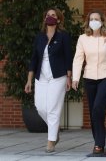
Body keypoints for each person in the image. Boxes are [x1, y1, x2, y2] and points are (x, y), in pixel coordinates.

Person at [72, 9, 106, 155]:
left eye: (96, 19)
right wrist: (75, 78)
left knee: (97, 108)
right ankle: (98, 142)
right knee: (94, 112)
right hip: (89, 77)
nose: (94, 21)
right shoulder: (82, 38)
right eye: (91, 19)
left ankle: (99, 143)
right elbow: (78, 59)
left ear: (102, 21)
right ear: (88, 22)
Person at [24, 8, 72, 153]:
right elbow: (34, 59)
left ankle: (51, 141)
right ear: (44, 19)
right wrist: (29, 80)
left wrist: (69, 77)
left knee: (52, 108)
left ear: (58, 20)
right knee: (40, 107)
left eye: (53, 15)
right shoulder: (39, 37)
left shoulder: (63, 36)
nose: (50, 17)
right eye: (48, 15)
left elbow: (68, 57)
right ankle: (54, 128)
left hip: (58, 76)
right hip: (41, 77)